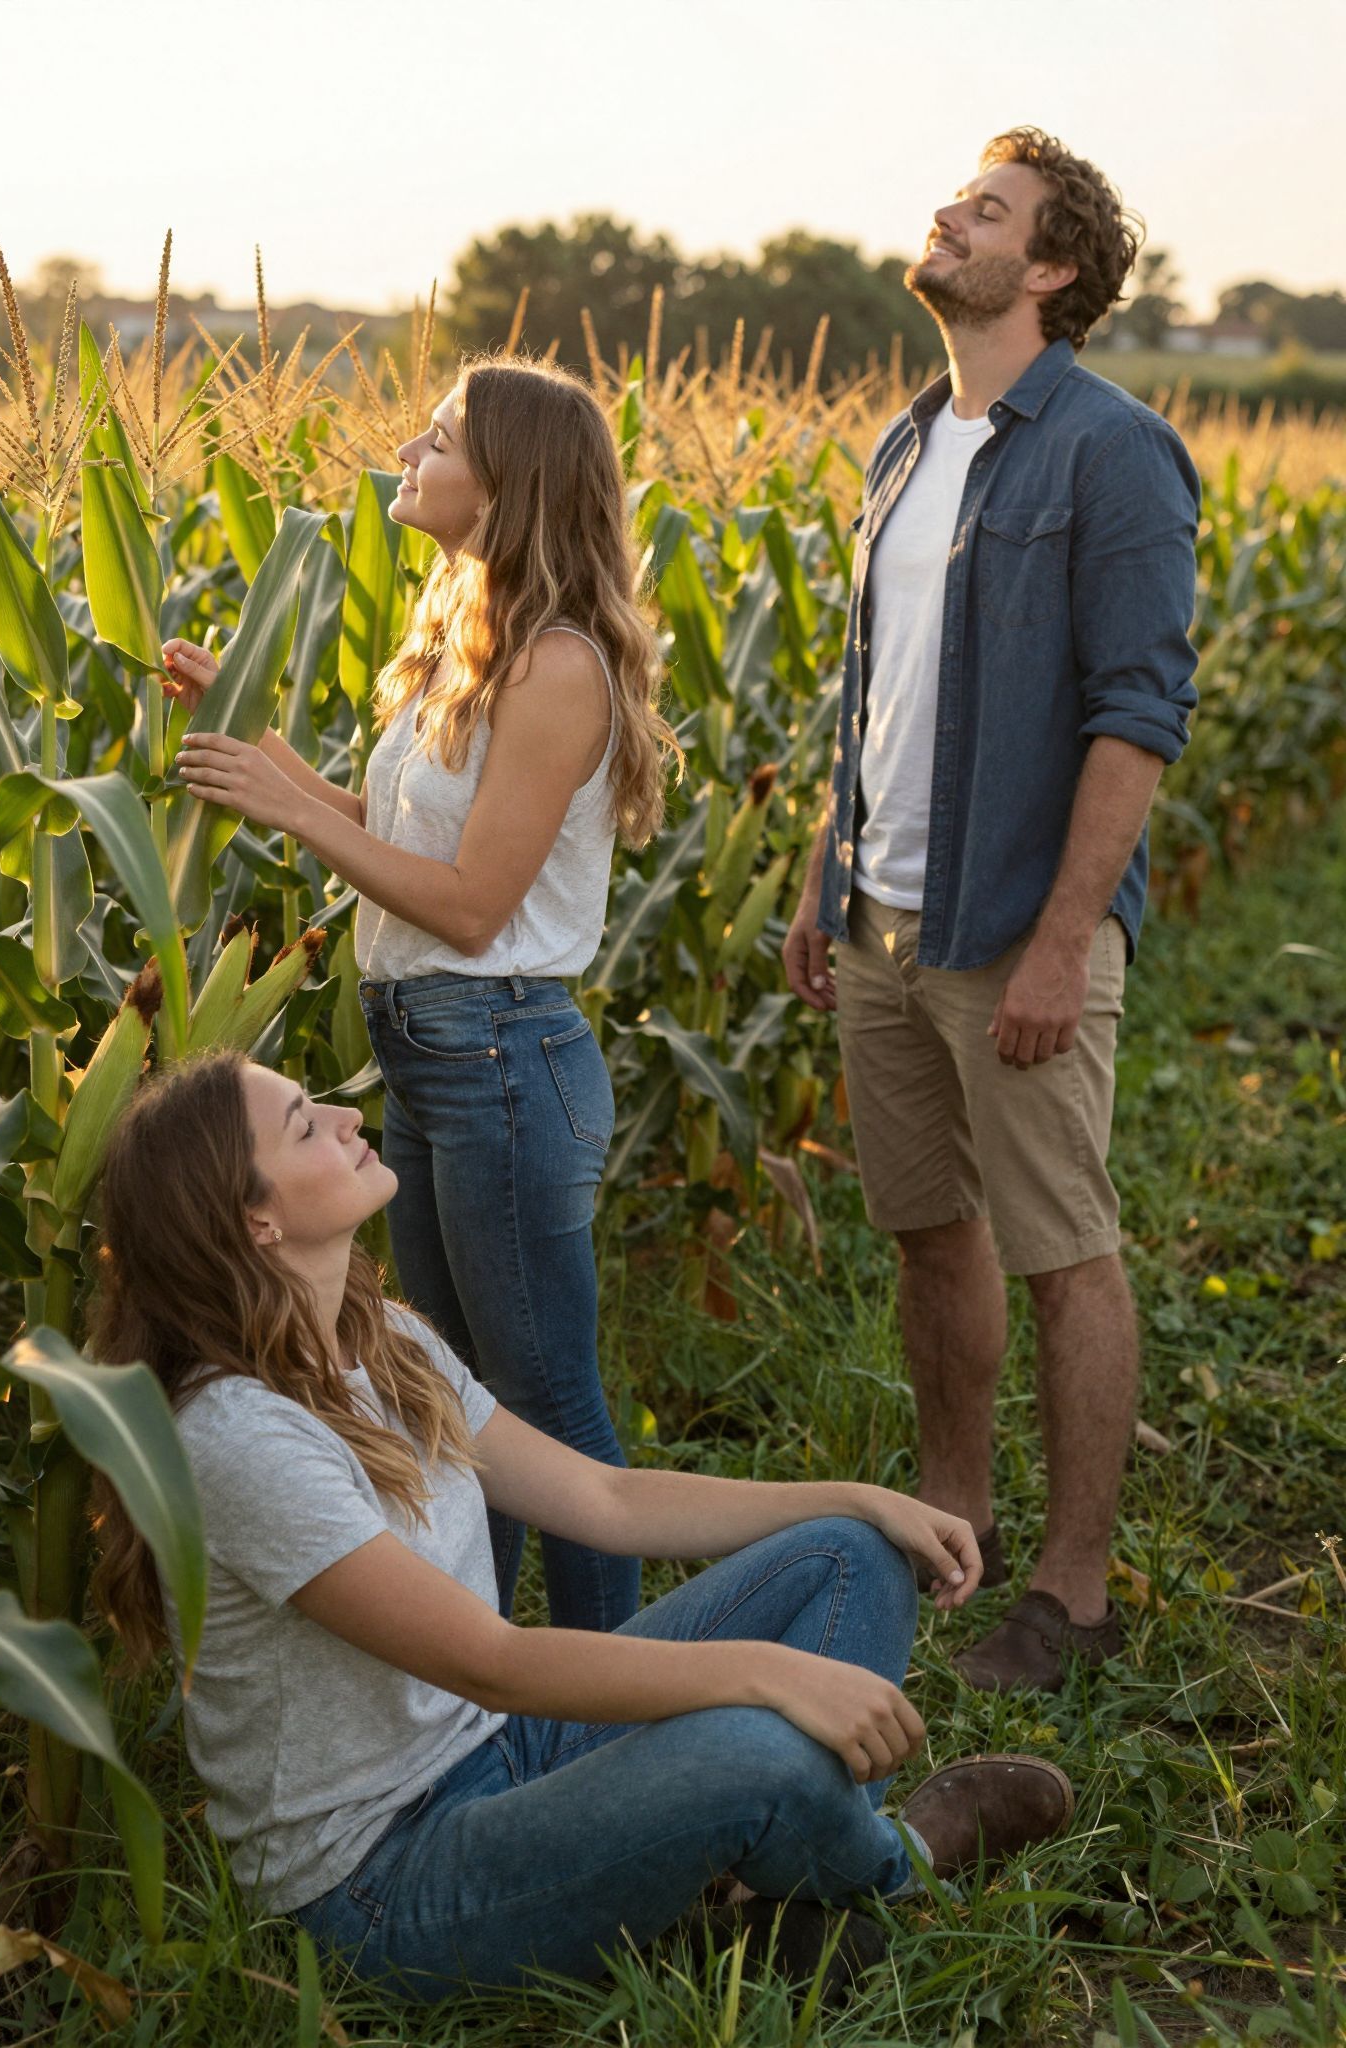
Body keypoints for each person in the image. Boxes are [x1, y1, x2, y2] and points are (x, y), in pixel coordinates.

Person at [89, 1050, 1075, 2003]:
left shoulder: (382, 1341)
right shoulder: (238, 1437)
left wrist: (859, 1496)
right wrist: (771, 1672)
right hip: (384, 1878)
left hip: (505, 1747)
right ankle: (900, 1863)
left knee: (849, 1554)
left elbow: (605, 1501)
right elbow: (490, 1658)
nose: (349, 1117)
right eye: (307, 1122)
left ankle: (767, 1892)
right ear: (255, 1218)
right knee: (756, 1745)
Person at [165, 356, 681, 1633]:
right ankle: (496, 1675)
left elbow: (465, 904)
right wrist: (263, 747)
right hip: (434, 1049)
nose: (412, 448)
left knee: (545, 1400)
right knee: (457, 1396)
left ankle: (608, 1696)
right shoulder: (474, 640)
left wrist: (288, 805)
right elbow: (392, 834)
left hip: (500, 1052)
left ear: (507, 483)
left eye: (440, 437)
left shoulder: (558, 665)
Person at [782, 128, 1200, 1693]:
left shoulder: (1111, 450)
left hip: (1019, 933)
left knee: (1063, 1250)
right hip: (885, 923)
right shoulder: (907, 443)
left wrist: (1061, 939)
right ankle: (951, 1521)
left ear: (1050, 269)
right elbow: (879, 692)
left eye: (988, 211)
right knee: (926, 1238)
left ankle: (1072, 1593)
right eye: (957, 196)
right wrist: (828, 873)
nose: (948, 216)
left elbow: (1137, 715)